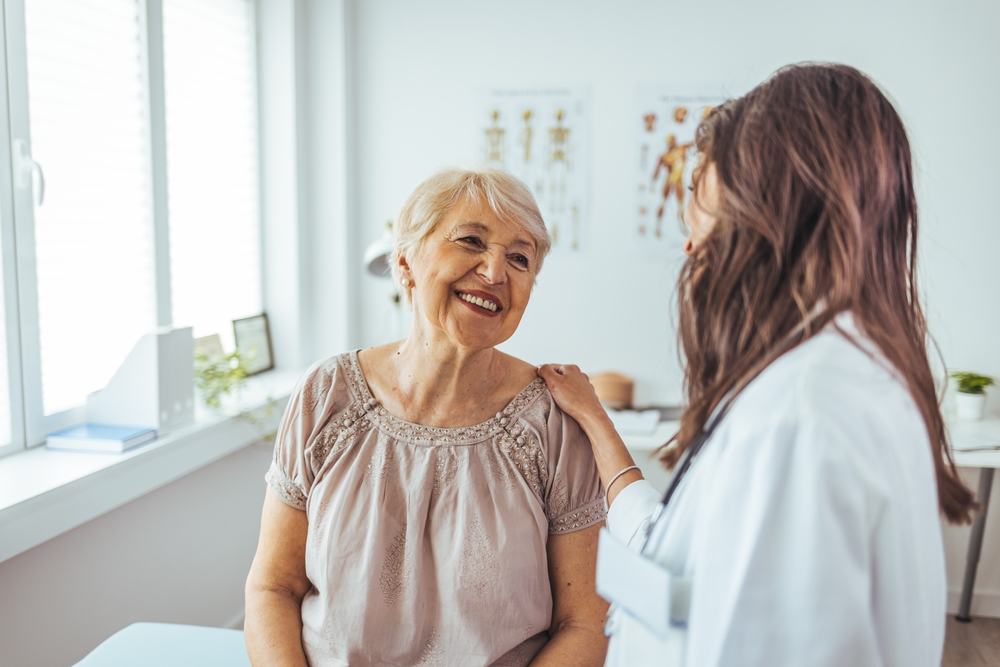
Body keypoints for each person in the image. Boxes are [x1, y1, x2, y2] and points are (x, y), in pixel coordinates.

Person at [539, 63, 975, 667]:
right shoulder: (833, 376)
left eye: (705, 229)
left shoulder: (797, 417)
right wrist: (593, 416)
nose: (689, 254)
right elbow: (685, 570)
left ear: (770, 215)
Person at [244, 168, 609, 667]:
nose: (495, 272)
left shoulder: (554, 423)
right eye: (471, 241)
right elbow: (272, 587)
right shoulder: (325, 394)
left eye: (519, 258)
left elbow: (585, 623)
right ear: (404, 264)